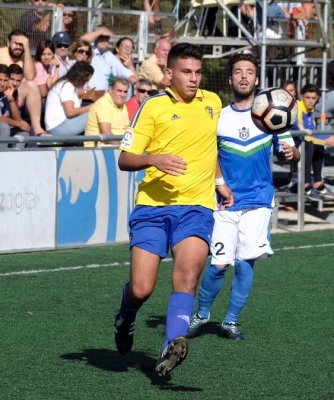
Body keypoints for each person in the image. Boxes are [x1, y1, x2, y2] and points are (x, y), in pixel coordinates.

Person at [114, 43, 229, 377]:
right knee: (141, 289)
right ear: (169, 74)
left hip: (197, 207)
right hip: (153, 207)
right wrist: (154, 158)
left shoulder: (213, 102)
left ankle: (170, 346)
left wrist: (220, 180)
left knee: (188, 275)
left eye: (197, 72)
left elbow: (211, 146)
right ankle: (125, 317)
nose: (194, 79)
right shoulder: (152, 107)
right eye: (186, 72)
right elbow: (124, 159)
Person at [186, 52, 300, 341]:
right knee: (218, 265)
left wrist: (292, 153)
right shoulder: (219, 117)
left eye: (249, 71)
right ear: (230, 79)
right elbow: (208, 157)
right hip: (225, 203)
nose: (244, 76)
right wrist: (219, 183)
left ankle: (231, 322)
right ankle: (202, 314)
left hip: (259, 201)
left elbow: (293, 154)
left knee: (247, 263)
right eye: (238, 71)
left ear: (257, 78)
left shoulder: (274, 114)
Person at [80, 25, 138, 92]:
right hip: (87, 97)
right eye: (101, 37)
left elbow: (125, 72)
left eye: (107, 38)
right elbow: (81, 41)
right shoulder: (88, 51)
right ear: (95, 37)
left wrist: (136, 85)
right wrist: (100, 31)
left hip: (103, 96)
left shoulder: (108, 55)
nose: (104, 40)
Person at [45, 61, 94, 136]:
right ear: (79, 77)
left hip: (62, 125)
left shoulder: (67, 85)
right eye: (85, 80)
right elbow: (70, 112)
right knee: (97, 112)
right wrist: (90, 107)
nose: (86, 83)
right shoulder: (67, 86)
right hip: (59, 128)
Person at [84, 77, 130, 147]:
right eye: (119, 91)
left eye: (125, 92)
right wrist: (123, 149)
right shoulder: (104, 103)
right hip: (98, 147)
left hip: (114, 145)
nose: (122, 95)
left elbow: (127, 130)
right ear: (110, 90)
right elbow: (106, 134)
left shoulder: (123, 106)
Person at [0, 64, 30, 149]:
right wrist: (19, 124)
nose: (2, 84)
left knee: (23, 133)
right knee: (4, 127)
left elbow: (16, 119)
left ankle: (16, 159)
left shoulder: (6, 92)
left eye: (5, 80)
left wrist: (10, 98)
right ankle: (2, 157)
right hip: (0, 125)